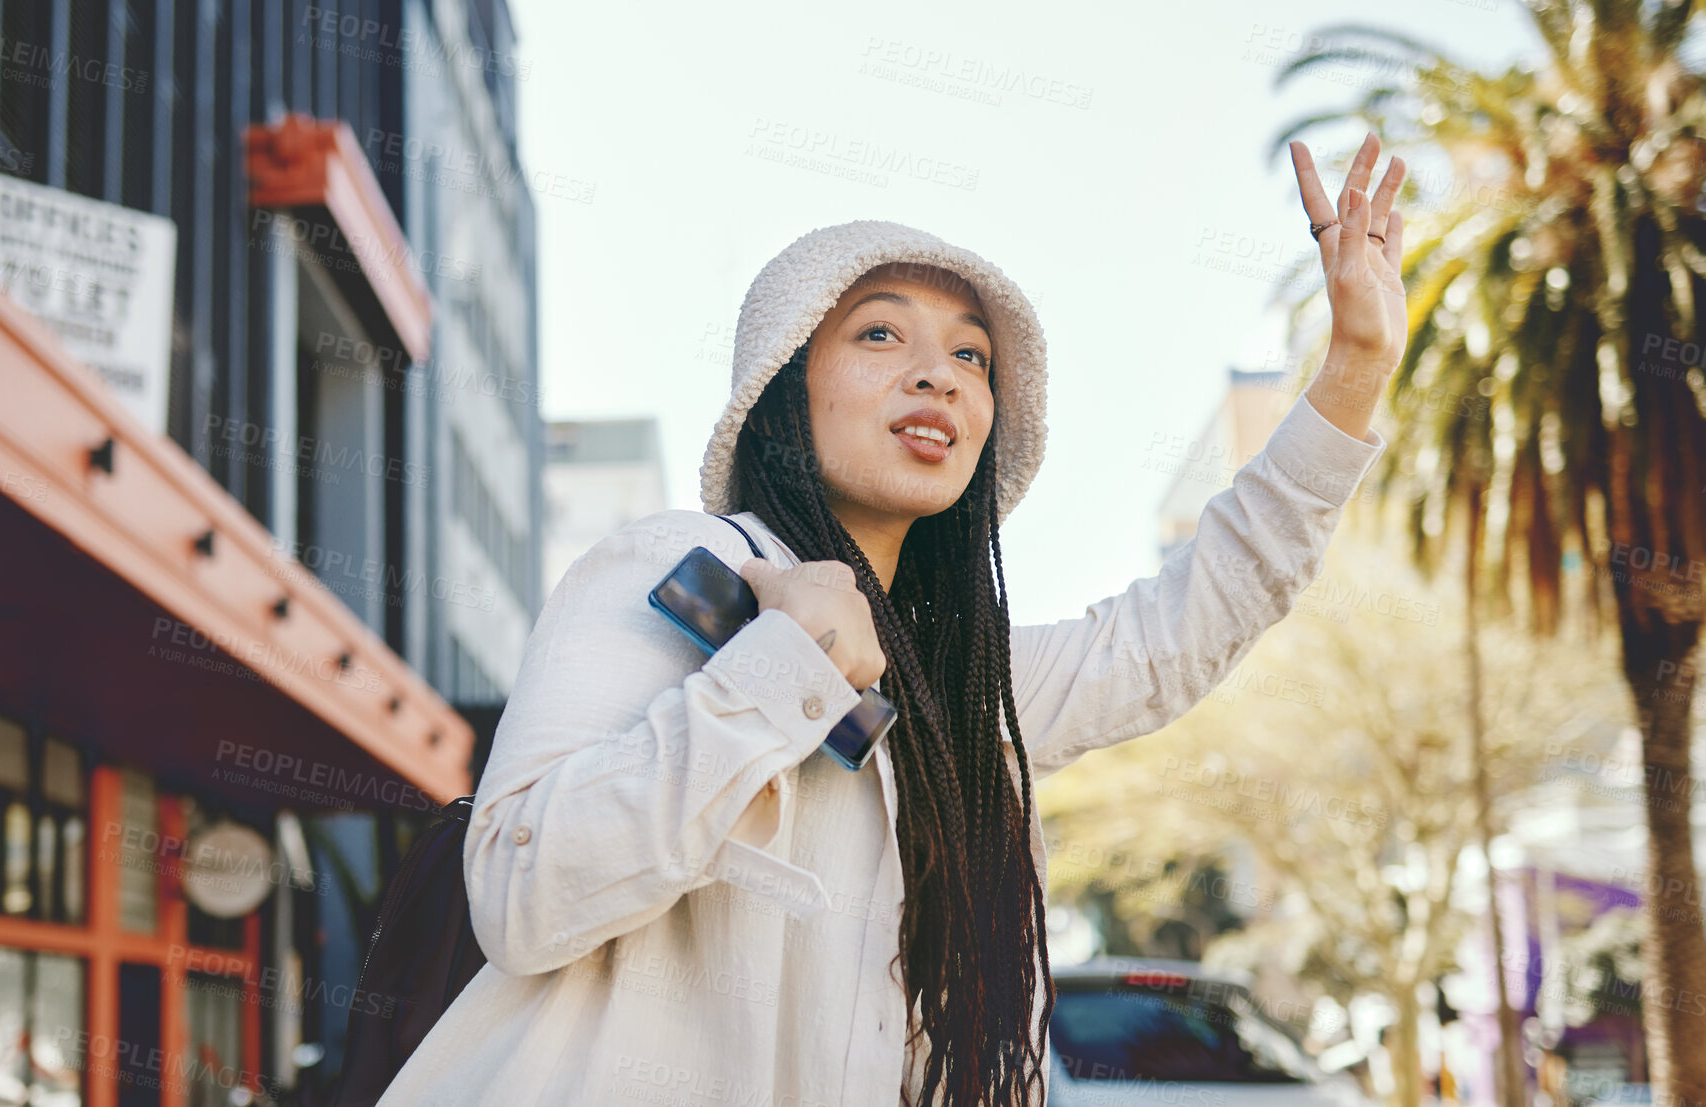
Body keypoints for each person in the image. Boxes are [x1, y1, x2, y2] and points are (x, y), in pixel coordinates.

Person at [375, 134, 1408, 1107]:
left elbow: (1180, 627)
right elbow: (521, 892)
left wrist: (1355, 365)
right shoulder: (676, 572)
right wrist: (781, 666)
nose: (938, 375)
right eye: (880, 332)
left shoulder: (962, 693)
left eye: (972, 358)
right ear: (786, 384)